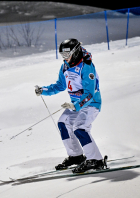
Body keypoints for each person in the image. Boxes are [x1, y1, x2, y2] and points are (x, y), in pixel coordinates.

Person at [35, 38, 103, 173]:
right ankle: (76, 156)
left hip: (91, 104)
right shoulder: (65, 66)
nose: (65, 58)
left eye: (67, 54)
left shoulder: (86, 66)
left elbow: (89, 93)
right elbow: (60, 85)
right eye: (62, 55)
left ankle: (95, 160)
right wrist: (44, 90)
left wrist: (76, 106)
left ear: (76, 51)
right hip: (75, 105)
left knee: (80, 128)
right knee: (63, 123)